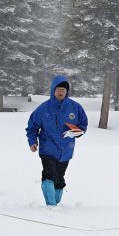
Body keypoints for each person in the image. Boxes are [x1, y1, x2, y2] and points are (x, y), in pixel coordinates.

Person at [25, 75, 88, 206]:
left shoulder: (75, 108)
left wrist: (76, 132)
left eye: (63, 90)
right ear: (53, 90)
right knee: (49, 176)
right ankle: (51, 205)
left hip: (66, 150)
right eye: (58, 89)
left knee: (59, 179)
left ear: (67, 91)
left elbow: (83, 125)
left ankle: (56, 202)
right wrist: (32, 142)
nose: (60, 92)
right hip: (47, 149)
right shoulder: (43, 108)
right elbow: (32, 126)